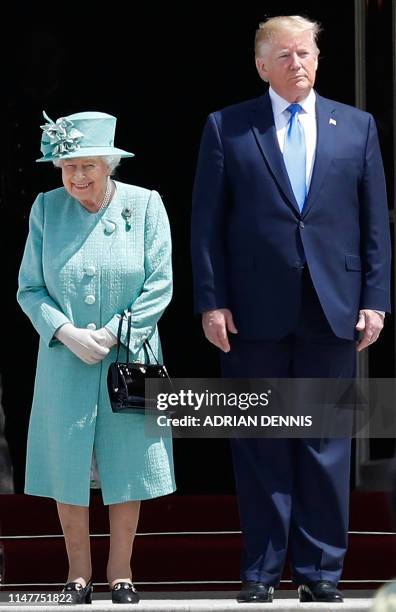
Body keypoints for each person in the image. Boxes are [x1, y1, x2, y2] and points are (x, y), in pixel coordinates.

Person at [191, 15, 391, 604]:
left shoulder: (356, 127)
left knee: (326, 441)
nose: (298, 64)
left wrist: (375, 301)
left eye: (305, 53)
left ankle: (322, 571)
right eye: (284, 56)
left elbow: (374, 224)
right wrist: (211, 301)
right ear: (261, 66)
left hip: (334, 307)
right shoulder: (227, 126)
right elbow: (207, 225)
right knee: (260, 441)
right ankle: (260, 570)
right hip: (251, 312)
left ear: (318, 60)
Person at [17, 110, 175, 604]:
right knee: (67, 463)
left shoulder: (146, 205)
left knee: (127, 464)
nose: (78, 177)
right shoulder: (46, 208)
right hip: (65, 360)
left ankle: (121, 571)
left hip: (130, 356)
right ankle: (77, 574)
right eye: (68, 166)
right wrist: (64, 330)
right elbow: (30, 288)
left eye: (88, 165)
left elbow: (160, 284)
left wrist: (110, 334)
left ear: (109, 164)